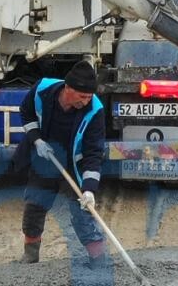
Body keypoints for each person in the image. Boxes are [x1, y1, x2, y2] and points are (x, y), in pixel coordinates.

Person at [11, 61, 109, 262]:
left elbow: (93, 152)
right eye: (82, 96)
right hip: (45, 158)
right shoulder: (42, 89)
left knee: (82, 212)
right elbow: (26, 112)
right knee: (35, 204)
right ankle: (30, 254)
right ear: (68, 88)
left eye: (89, 96)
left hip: (75, 165)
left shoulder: (95, 110)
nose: (86, 101)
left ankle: (98, 258)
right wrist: (36, 139)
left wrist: (89, 189)